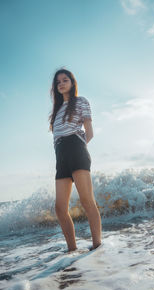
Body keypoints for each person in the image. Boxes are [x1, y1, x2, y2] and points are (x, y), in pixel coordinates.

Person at [48, 68, 102, 252]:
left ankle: (97, 247)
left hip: (77, 151)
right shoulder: (55, 112)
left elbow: (90, 132)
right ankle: (72, 251)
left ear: (72, 82)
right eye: (58, 82)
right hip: (61, 156)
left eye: (65, 80)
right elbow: (56, 139)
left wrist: (78, 149)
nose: (61, 84)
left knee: (87, 201)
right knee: (60, 208)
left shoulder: (81, 102)